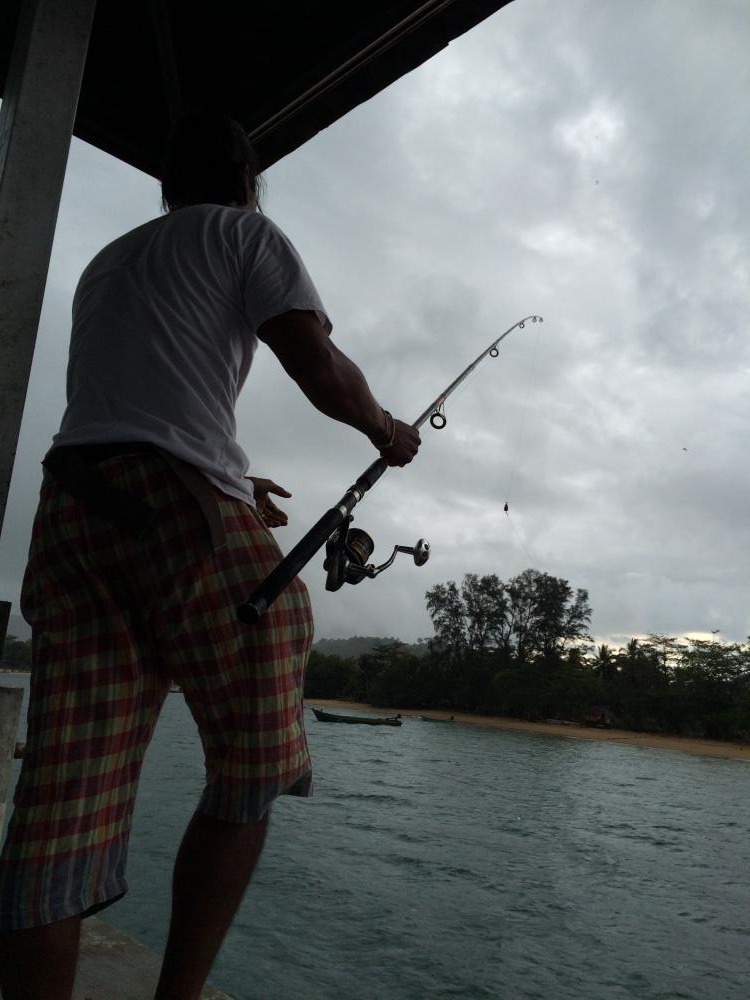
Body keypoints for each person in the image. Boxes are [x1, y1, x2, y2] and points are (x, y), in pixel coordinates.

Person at [0, 112, 420, 1000]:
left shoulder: (107, 261)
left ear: (164, 183)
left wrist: (237, 478)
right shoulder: (245, 233)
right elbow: (320, 369)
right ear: (248, 179)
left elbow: (137, 400)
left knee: (63, 796)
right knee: (262, 727)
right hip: (173, 502)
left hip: (71, 512)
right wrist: (387, 431)